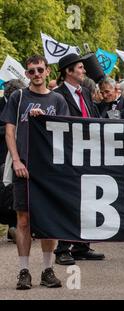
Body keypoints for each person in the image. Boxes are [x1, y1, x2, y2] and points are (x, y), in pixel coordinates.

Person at [0, 55, 70, 290]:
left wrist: (46, 118)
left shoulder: (58, 99)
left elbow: (65, 133)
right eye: (31, 71)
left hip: (49, 170)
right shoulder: (18, 98)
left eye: (40, 69)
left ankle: (48, 270)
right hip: (24, 168)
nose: (36, 74)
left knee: (49, 220)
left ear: (47, 71)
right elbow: (10, 131)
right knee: (23, 220)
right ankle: (23, 271)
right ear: (27, 74)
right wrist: (16, 161)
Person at [53, 53, 105, 265]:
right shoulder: (57, 95)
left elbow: (92, 118)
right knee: (70, 201)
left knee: (88, 199)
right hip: (68, 154)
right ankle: (62, 248)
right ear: (69, 71)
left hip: (88, 153)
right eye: (81, 68)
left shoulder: (84, 92)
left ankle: (81, 246)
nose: (84, 71)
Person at [0, 79, 26, 243]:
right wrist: (9, 129)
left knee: (15, 189)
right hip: (2, 153)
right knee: (5, 190)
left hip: (19, 153)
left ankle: (15, 226)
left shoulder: (23, 104)